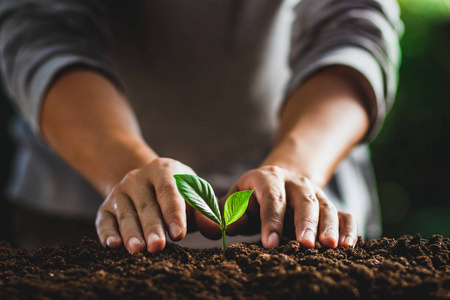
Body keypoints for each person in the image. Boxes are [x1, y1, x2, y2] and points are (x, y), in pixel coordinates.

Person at [0, 0, 403, 253]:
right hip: (79, 198)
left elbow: (354, 25)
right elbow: (39, 30)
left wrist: (298, 167)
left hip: (299, 214)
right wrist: (126, 167)